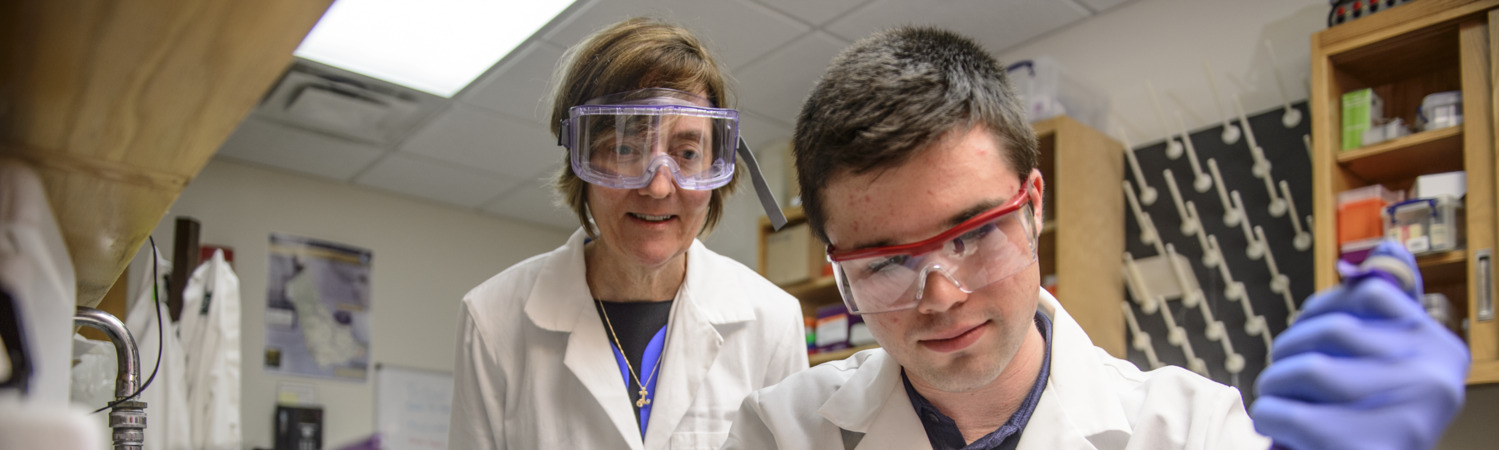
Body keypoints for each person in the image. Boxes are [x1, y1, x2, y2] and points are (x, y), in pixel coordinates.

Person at [721, 26, 1469, 450]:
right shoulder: (779, 431)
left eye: (975, 235)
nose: (941, 297)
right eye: (884, 262)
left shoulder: (1188, 430)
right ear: (835, 269)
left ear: (1032, 206)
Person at [448, 18, 807, 450]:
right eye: (624, 149)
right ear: (580, 161)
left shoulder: (772, 322)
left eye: (687, 153)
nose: (658, 186)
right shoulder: (493, 318)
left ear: (717, 166)